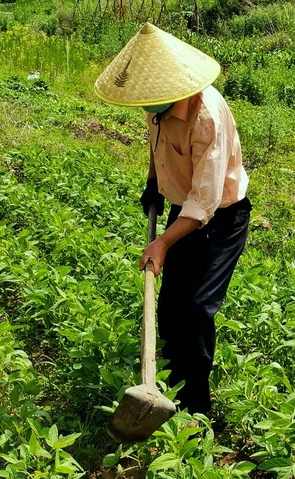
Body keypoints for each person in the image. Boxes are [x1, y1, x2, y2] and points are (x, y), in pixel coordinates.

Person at [95, 22, 250, 415]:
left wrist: (162, 242)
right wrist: (153, 182)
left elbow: (205, 200)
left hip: (221, 217)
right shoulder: (157, 105)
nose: (147, 109)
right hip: (185, 210)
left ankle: (197, 409)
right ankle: (164, 382)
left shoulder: (206, 116)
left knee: (197, 310)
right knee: (170, 308)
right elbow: (158, 144)